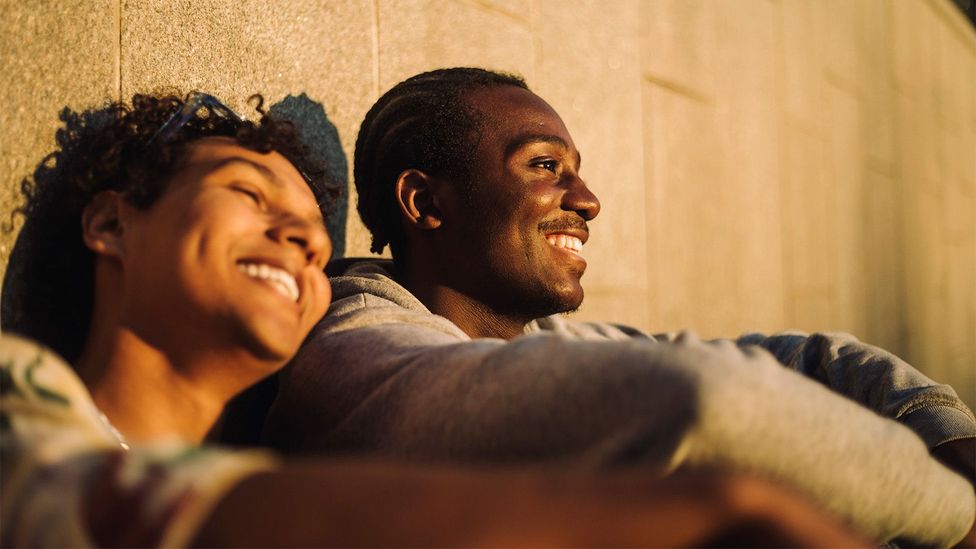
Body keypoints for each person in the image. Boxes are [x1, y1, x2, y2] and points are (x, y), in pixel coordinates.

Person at [0, 92, 868, 547]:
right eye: (247, 194)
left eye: (311, 235)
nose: (302, 239)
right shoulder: (20, 399)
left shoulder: (261, 453)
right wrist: (716, 509)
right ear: (112, 223)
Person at [261, 68, 976, 546]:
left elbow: (806, 360)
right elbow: (707, 397)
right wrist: (956, 513)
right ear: (425, 201)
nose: (588, 200)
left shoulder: (548, 341)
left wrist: (940, 432)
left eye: (576, 170)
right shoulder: (357, 352)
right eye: (545, 165)